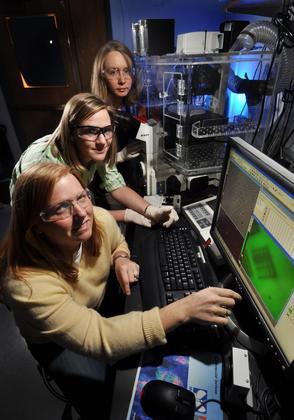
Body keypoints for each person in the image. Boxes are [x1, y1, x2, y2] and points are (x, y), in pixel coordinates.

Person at [1, 162, 241, 419]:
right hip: (55, 341)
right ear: (36, 225)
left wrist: (121, 258)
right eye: (62, 208)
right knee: (103, 399)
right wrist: (183, 309)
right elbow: (100, 338)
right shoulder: (26, 284)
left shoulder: (96, 218)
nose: (82, 213)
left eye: (81, 197)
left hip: (93, 306)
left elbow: (117, 241)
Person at [9, 92, 178, 228]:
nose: (102, 141)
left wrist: (149, 210)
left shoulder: (95, 148)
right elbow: (71, 217)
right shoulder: (46, 162)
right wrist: (127, 215)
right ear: (71, 132)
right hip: (38, 224)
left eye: (107, 130)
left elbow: (115, 185)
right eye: (90, 131)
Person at [91, 40, 146, 194]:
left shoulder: (128, 107)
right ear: (101, 75)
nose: (122, 80)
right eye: (113, 72)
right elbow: (86, 165)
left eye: (127, 71)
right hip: (107, 192)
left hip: (130, 184)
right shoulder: (94, 113)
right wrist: (120, 156)